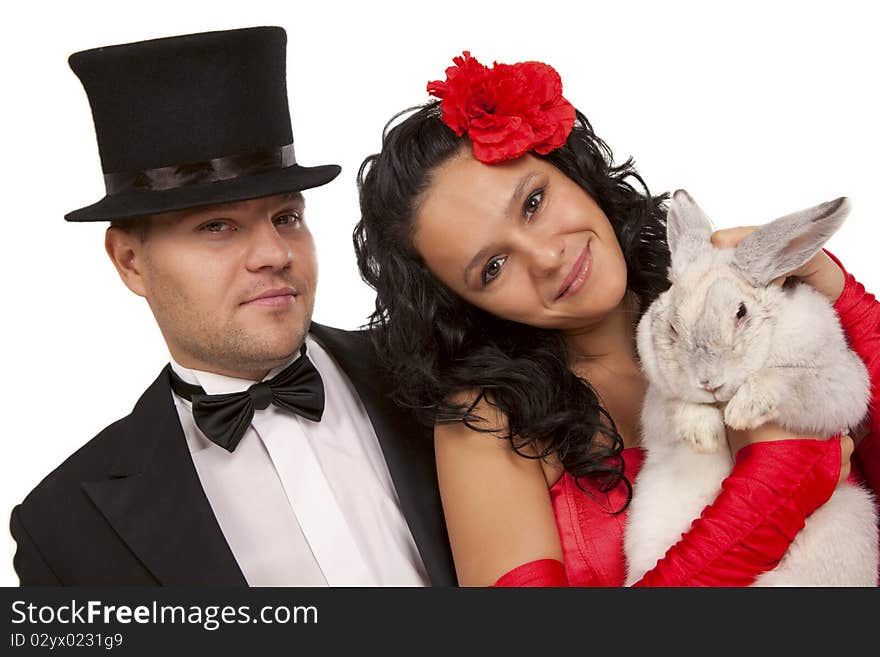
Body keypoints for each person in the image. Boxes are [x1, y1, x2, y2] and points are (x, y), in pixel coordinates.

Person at [354, 52, 880, 586]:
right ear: (465, 306)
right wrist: (771, 497)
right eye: (492, 267)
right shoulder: (490, 424)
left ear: (572, 170)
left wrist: (844, 298)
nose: (546, 257)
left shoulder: (728, 296)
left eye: (533, 202)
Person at [9, 27, 456, 586]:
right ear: (129, 261)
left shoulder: (445, 370)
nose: (274, 253)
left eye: (287, 217)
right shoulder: (64, 529)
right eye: (217, 227)